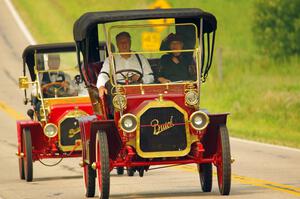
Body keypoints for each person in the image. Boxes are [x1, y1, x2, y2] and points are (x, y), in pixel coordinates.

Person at [96, 31, 154, 97]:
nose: (124, 45)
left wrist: (141, 80)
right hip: (117, 92)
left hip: (138, 91)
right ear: (117, 45)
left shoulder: (140, 58)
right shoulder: (110, 59)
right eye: (121, 43)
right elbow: (103, 74)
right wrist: (101, 86)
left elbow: (150, 76)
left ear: (130, 43)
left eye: (126, 42)